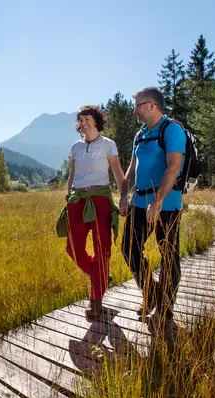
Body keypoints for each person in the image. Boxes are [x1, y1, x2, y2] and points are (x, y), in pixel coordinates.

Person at [121, 87, 186, 341]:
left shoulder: (172, 130)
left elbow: (173, 167)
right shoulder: (140, 135)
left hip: (166, 204)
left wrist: (158, 201)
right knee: (129, 248)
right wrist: (124, 194)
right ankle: (152, 294)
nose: (134, 109)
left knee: (169, 254)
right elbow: (132, 168)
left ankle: (166, 310)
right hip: (139, 201)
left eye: (138, 105)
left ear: (152, 105)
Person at [55, 105, 128, 320]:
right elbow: (72, 174)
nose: (83, 123)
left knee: (101, 248)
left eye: (87, 119)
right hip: (77, 200)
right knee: (73, 249)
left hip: (100, 200)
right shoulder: (76, 147)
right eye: (80, 119)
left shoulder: (108, 145)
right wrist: (69, 194)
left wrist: (123, 197)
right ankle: (102, 276)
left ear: (96, 121)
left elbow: (118, 172)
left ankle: (95, 303)